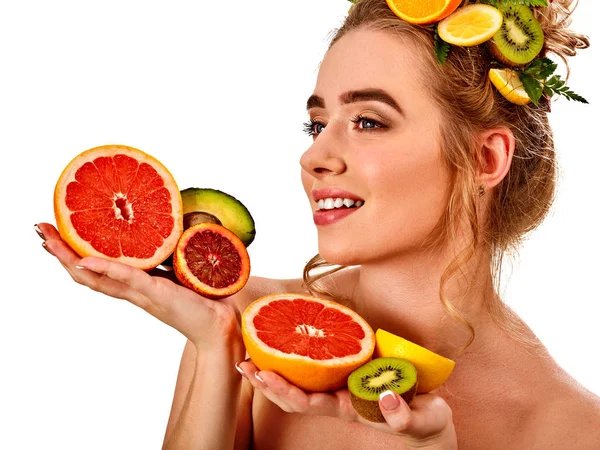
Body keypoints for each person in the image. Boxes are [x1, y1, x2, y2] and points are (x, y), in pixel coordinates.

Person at [36, 0, 600, 448]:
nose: (315, 158)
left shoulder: (570, 429)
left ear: (484, 160)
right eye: (317, 124)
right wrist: (214, 351)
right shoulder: (247, 327)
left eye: (368, 121)